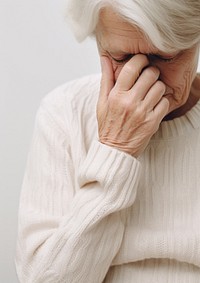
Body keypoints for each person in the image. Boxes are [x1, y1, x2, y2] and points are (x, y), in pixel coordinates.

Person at [16, 0, 200, 282]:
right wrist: (115, 149)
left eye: (165, 57)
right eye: (122, 58)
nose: (143, 78)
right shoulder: (64, 113)